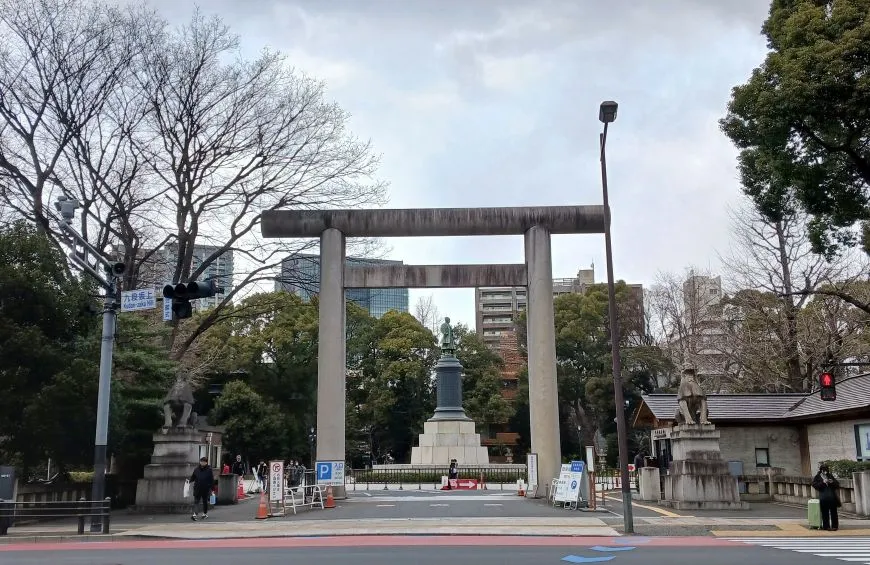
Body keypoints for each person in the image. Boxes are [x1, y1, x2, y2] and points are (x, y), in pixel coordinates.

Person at [812, 463, 840, 531]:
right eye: (824, 469)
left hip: (832, 497)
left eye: (826, 469)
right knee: (825, 512)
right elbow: (815, 485)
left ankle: (834, 526)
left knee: (834, 512)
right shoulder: (818, 476)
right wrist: (823, 482)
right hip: (823, 497)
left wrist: (832, 482)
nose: (825, 471)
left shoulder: (830, 475)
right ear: (821, 470)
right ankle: (826, 526)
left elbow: (837, 484)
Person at [189, 456, 215, 521]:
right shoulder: (196, 469)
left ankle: (205, 513)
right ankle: (195, 514)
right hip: (197, 487)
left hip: (205, 488)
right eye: (201, 461)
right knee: (196, 501)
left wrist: (212, 489)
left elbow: (211, 479)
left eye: (203, 462)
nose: (202, 463)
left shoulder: (209, 470)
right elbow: (193, 477)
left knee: (205, 501)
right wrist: (189, 481)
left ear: (206, 463)